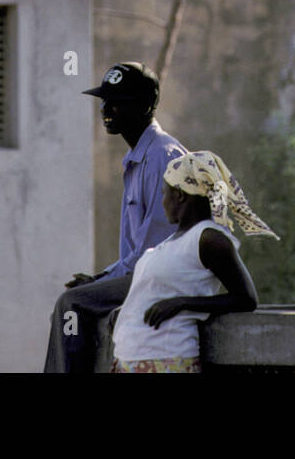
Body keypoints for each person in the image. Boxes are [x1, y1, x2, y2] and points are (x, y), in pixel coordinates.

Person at [43, 62, 186, 373]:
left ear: (147, 105)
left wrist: (107, 279)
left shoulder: (163, 156)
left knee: (72, 305)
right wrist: (102, 277)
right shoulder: (137, 158)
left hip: (162, 279)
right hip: (144, 273)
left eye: (118, 101)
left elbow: (155, 252)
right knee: (76, 297)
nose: (106, 108)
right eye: (104, 100)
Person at [111, 150, 276, 372]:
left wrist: (182, 303)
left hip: (166, 360)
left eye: (164, 194)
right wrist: (127, 309)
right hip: (131, 357)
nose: (162, 202)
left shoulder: (209, 238)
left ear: (180, 195)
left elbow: (246, 299)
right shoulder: (172, 241)